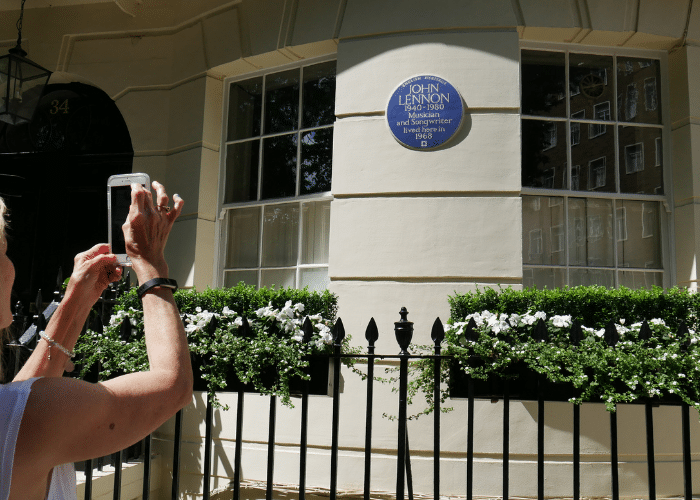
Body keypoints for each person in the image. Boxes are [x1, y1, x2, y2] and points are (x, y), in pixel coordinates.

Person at [0, 181, 193, 500]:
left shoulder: (18, 417)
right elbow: (173, 385)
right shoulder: (27, 418)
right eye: (5, 252)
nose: (11, 266)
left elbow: (21, 405)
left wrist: (75, 303)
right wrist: (150, 264)